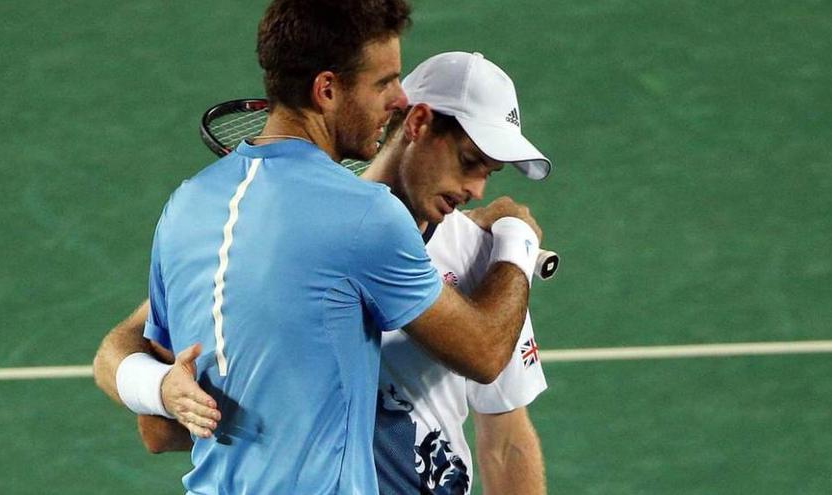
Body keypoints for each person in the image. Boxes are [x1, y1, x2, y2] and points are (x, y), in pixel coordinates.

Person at [94, 1, 545, 493]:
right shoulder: (367, 219)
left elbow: (153, 412)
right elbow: (483, 351)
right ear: (327, 89)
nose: (398, 98)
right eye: (384, 82)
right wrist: (516, 239)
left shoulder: (188, 208)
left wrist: (156, 387)